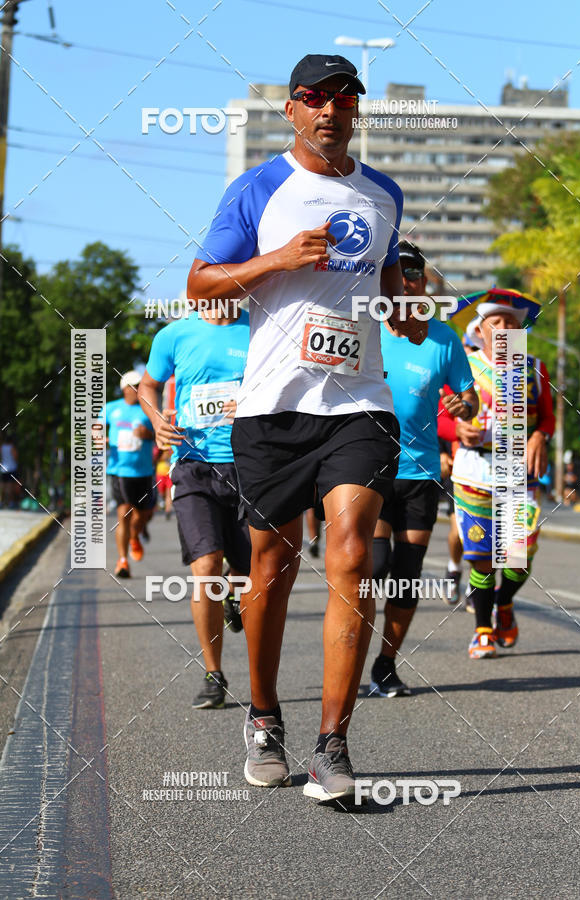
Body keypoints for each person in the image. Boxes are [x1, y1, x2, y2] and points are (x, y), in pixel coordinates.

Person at [187, 53, 426, 803]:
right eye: (314, 98)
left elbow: (395, 298)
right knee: (271, 568)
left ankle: (333, 746)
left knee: (353, 554)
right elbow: (199, 285)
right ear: (292, 110)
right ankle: (263, 718)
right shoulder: (261, 187)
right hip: (273, 408)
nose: (330, 110)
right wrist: (279, 258)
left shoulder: (383, 194)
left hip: (359, 402)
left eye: (345, 97)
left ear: (358, 110)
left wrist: (414, 305)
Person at [369, 241, 477, 697]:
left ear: (427, 285)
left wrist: (462, 404)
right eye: (401, 273)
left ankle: (385, 665)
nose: (410, 281)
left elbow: (469, 400)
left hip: (419, 473)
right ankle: (349, 650)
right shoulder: (364, 329)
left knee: (407, 575)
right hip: (368, 469)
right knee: (374, 567)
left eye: (417, 275)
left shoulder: (444, 339)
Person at [138, 300, 251, 709]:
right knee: (206, 568)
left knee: (246, 571)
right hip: (193, 466)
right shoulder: (174, 334)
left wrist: (254, 401)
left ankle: (236, 597)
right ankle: (213, 673)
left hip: (249, 467)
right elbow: (148, 385)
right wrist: (156, 421)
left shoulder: (259, 327)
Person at [451, 299, 555, 658]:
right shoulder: (464, 367)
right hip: (474, 470)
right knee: (481, 555)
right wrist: (456, 427)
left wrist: (540, 435)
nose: (507, 329)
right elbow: (443, 412)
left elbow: (548, 417)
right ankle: (483, 630)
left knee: (517, 554)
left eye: (513, 323)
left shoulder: (534, 369)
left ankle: (504, 603)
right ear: (480, 331)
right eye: (497, 322)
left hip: (517, 472)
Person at [437, 334, 476, 605]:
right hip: (459, 465)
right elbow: (437, 419)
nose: (469, 353)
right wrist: (442, 451)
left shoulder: (506, 380)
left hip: (496, 467)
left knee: (489, 533)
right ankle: (453, 568)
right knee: (460, 530)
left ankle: (479, 588)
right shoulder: (450, 383)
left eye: (473, 349)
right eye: (466, 349)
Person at [105, 371, 156, 577]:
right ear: (125, 388)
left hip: (143, 471)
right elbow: (97, 427)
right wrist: (98, 436)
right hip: (119, 470)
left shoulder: (147, 409)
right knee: (123, 513)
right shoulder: (112, 408)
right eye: (134, 385)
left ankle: (135, 535)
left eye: (139, 385)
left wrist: (148, 435)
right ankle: (123, 561)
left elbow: (159, 433)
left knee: (143, 515)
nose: (137, 389)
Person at [0, 436, 19, 508]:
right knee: (10, 487)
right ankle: (11, 503)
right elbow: (15, 457)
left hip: (3, 469)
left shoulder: (2, 447)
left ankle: (2, 502)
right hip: (11, 468)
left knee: (3, 487)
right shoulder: (12, 447)